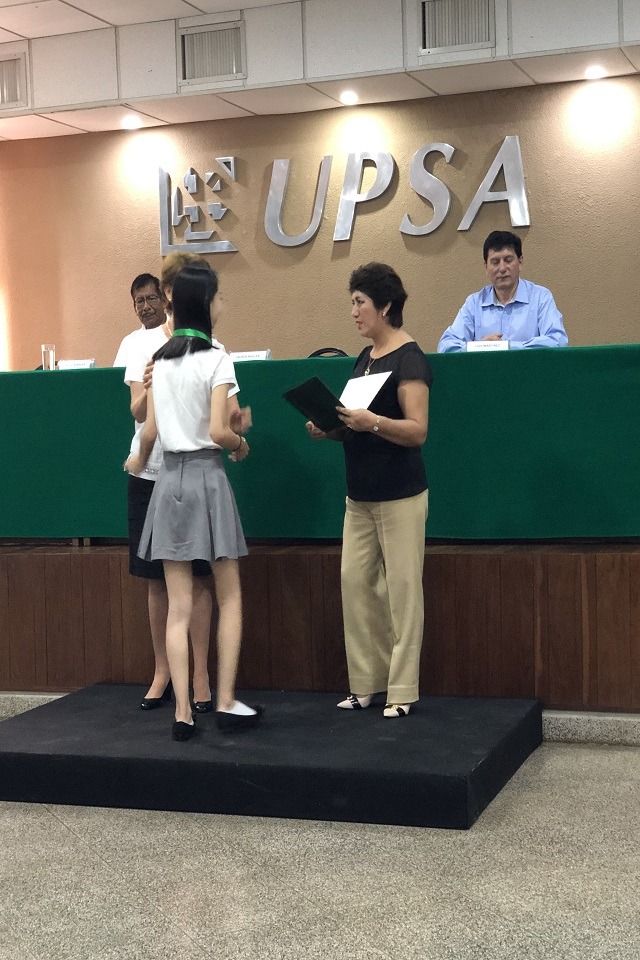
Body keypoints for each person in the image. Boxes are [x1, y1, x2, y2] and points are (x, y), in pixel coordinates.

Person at [125, 263, 261, 741]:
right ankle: (224, 700)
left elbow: (149, 430)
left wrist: (136, 461)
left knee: (176, 605)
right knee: (229, 595)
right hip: (207, 477)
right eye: (218, 297)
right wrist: (241, 445)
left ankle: (182, 710)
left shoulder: (160, 361)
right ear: (205, 304)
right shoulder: (218, 358)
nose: (222, 304)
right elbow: (221, 431)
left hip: (168, 483)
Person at [307, 262, 432, 718]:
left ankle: (402, 690)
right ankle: (365, 684)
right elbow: (352, 422)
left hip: (400, 495)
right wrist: (329, 428)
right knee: (356, 586)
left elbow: (417, 430)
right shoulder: (365, 357)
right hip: (358, 496)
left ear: (385, 305)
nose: (354, 311)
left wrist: (372, 422)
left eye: (360, 302)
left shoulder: (410, 358)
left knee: (402, 592)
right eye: (353, 302)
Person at [115, 274, 216, 713]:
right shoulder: (136, 345)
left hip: (192, 471)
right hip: (149, 473)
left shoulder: (207, 344)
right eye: (138, 300)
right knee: (155, 579)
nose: (148, 306)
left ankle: (201, 676)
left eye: (154, 298)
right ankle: (162, 672)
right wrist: (152, 383)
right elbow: (138, 412)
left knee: (198, 576)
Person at [437, 230, 568, 352]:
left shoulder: (540, 297)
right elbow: (445, 346)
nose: (502, 268)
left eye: (508, 260)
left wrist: (508, 347)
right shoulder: (474, 303)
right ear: (486, 267)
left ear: (520, 262)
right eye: (495, 262)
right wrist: (479, 346)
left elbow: (558, 341)